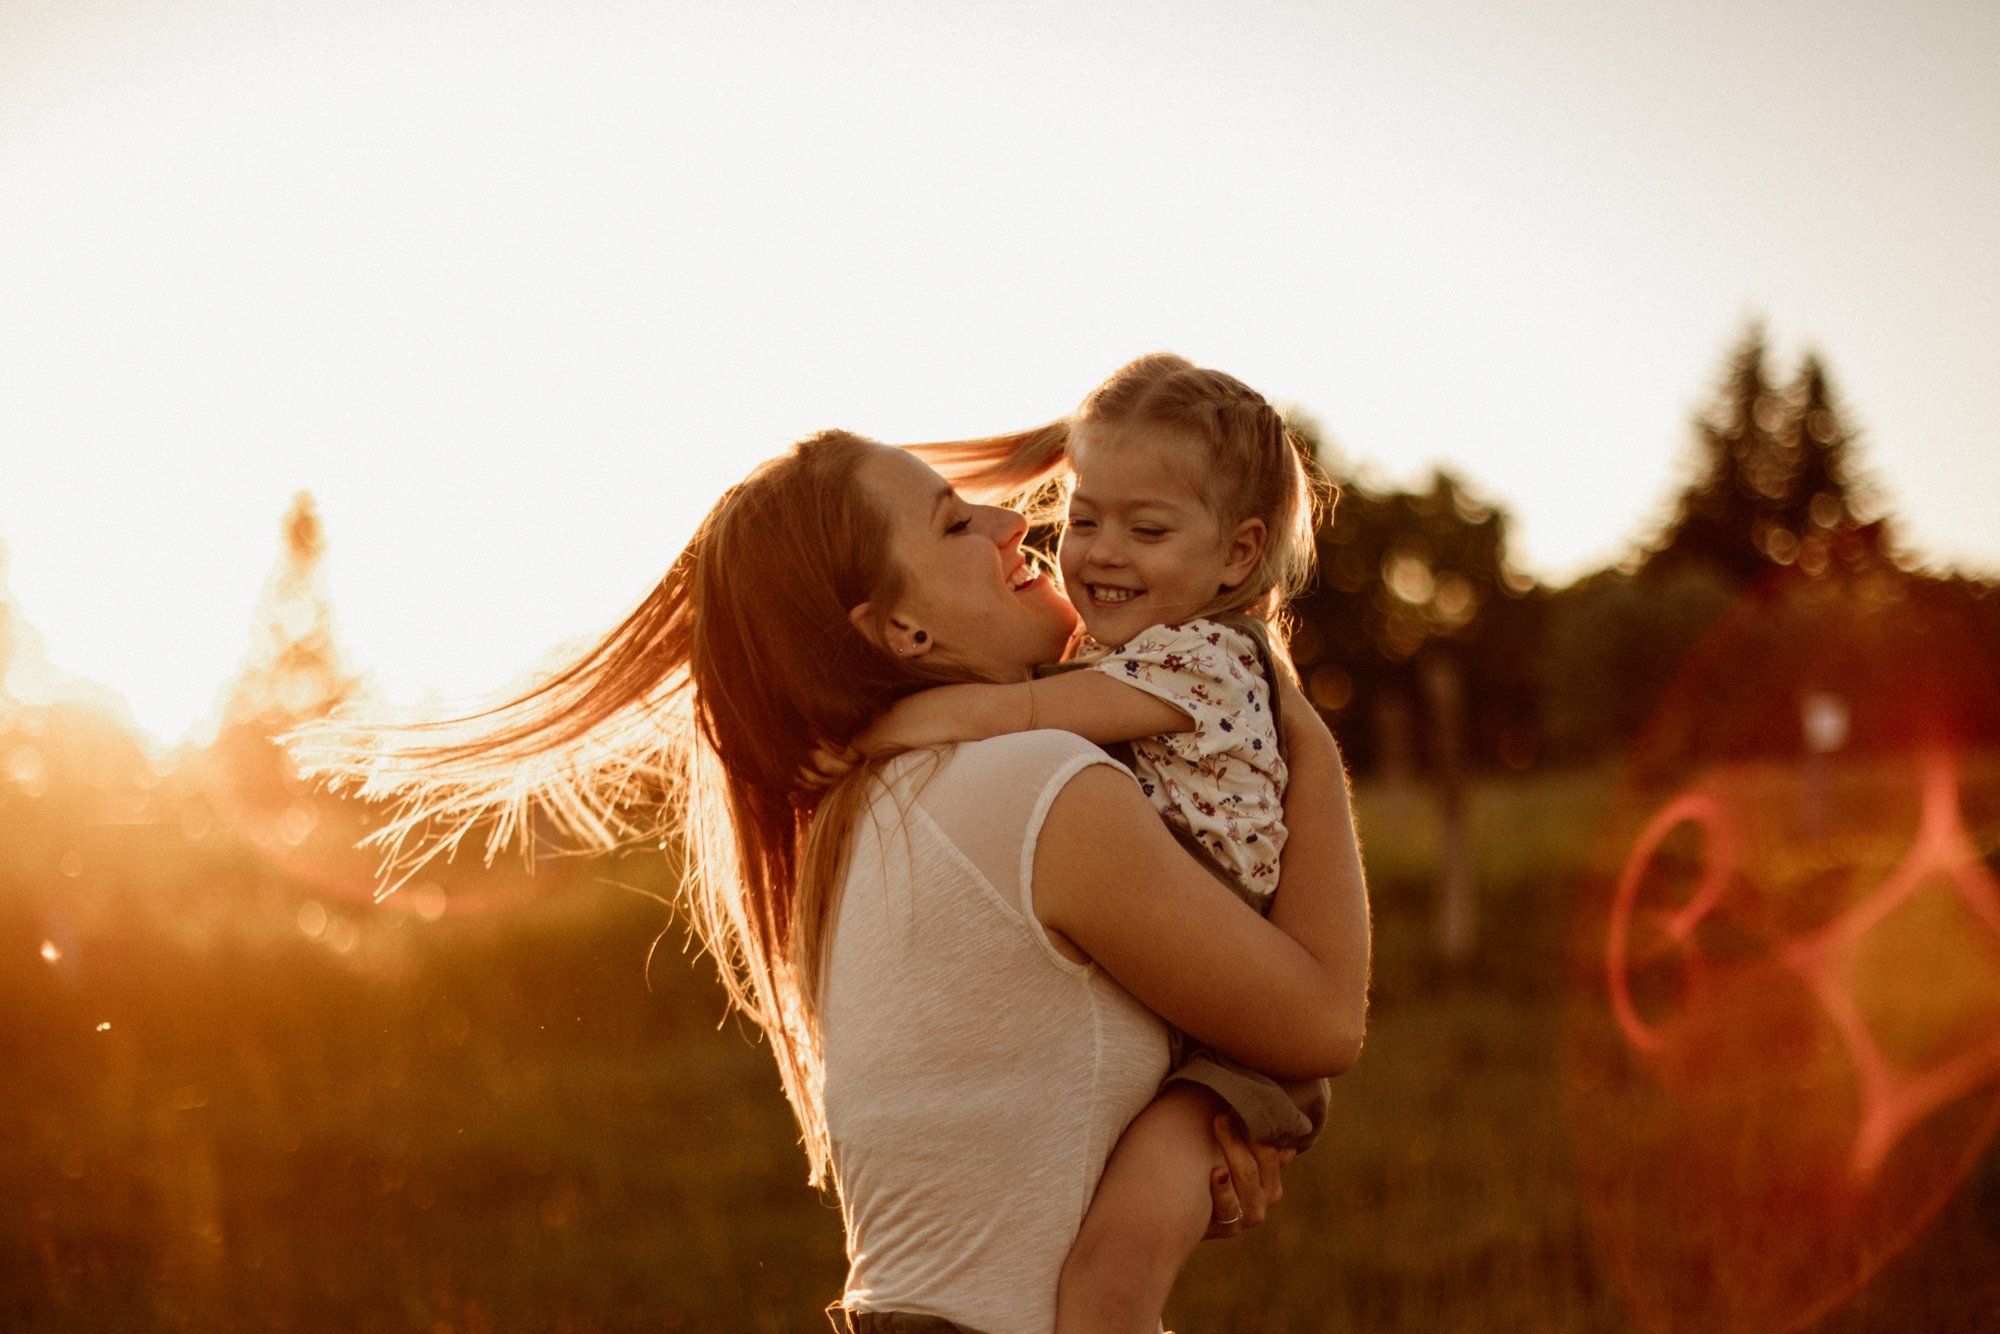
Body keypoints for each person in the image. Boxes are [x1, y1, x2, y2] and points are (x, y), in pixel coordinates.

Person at [292, 415, 1370, 1334]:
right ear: (897, 626)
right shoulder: (1036, 787)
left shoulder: (879, 808)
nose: (1012, 524)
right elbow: (1320, 1021)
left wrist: (1187, 1160)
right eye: (955, 522)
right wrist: (1285, 721)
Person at [849, 354, 1331, 1332]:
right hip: (1191, 995)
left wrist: (907, 721)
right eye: (1084, 519)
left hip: (1232, 1035)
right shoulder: (1117, 659)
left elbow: (1035, 708)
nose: (1099, 551)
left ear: (1237, 556)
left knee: (1107, 1283)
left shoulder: (1209, 656)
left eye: (1146, 529)